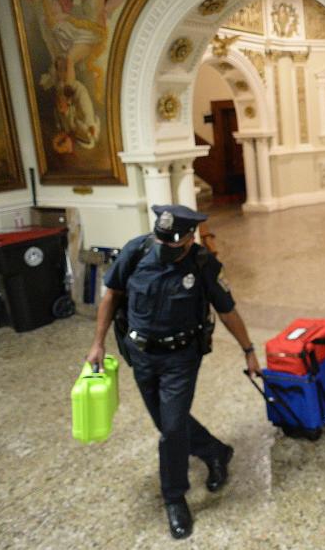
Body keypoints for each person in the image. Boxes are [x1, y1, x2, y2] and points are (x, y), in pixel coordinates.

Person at [86, 204, 262, 540]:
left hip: (181, 358)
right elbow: (111, 296)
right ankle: (214, 450)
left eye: (173, 245)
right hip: (141, 354)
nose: (166, 250)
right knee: (166, 421)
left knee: (171, 428)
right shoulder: (136, 252)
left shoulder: (202, 263)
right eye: (162, 242)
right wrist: (98, 343)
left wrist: (249, 350)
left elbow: (227, 311)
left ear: (189, 238)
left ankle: (174, 497)